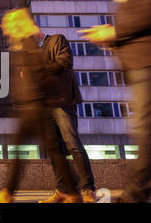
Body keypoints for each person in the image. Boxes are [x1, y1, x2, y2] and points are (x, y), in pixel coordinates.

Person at [80, 0, 151, 203]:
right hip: (137, 70)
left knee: (142, 126)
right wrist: (109, 40)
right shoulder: (121, 5)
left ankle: (136, 194)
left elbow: (146, 18)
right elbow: (127, 36)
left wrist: (112, 33)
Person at [0, 8, 82, 203]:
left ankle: (7, 193)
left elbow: (39, 70)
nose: (3, 26)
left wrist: (30, 97)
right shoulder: (21, 44)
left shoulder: (29, 43)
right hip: (31, 105)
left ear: (17, 25)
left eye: (7, 23)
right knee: (55, 151)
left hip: (33, 106)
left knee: (26, 150)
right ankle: (73, 192)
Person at [34, 28, 97, 203]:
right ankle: (62, 190)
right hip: (44, 106)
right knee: (54, 150)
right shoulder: (30, 52)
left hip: (62, 102)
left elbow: (65, 62)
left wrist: (39, 68)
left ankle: (88, 189)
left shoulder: (57, 40)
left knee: (73, 144)